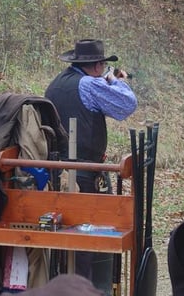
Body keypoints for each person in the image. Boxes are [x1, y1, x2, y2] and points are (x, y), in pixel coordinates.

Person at [45, 39, 137, 295]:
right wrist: (114, 80)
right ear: (97, 66)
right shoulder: (91, 83)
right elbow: (127, 105)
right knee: (87, 238)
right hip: (81, 173)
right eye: (103, 65)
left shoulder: (57, 83)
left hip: (56, 169)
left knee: (65, 240)